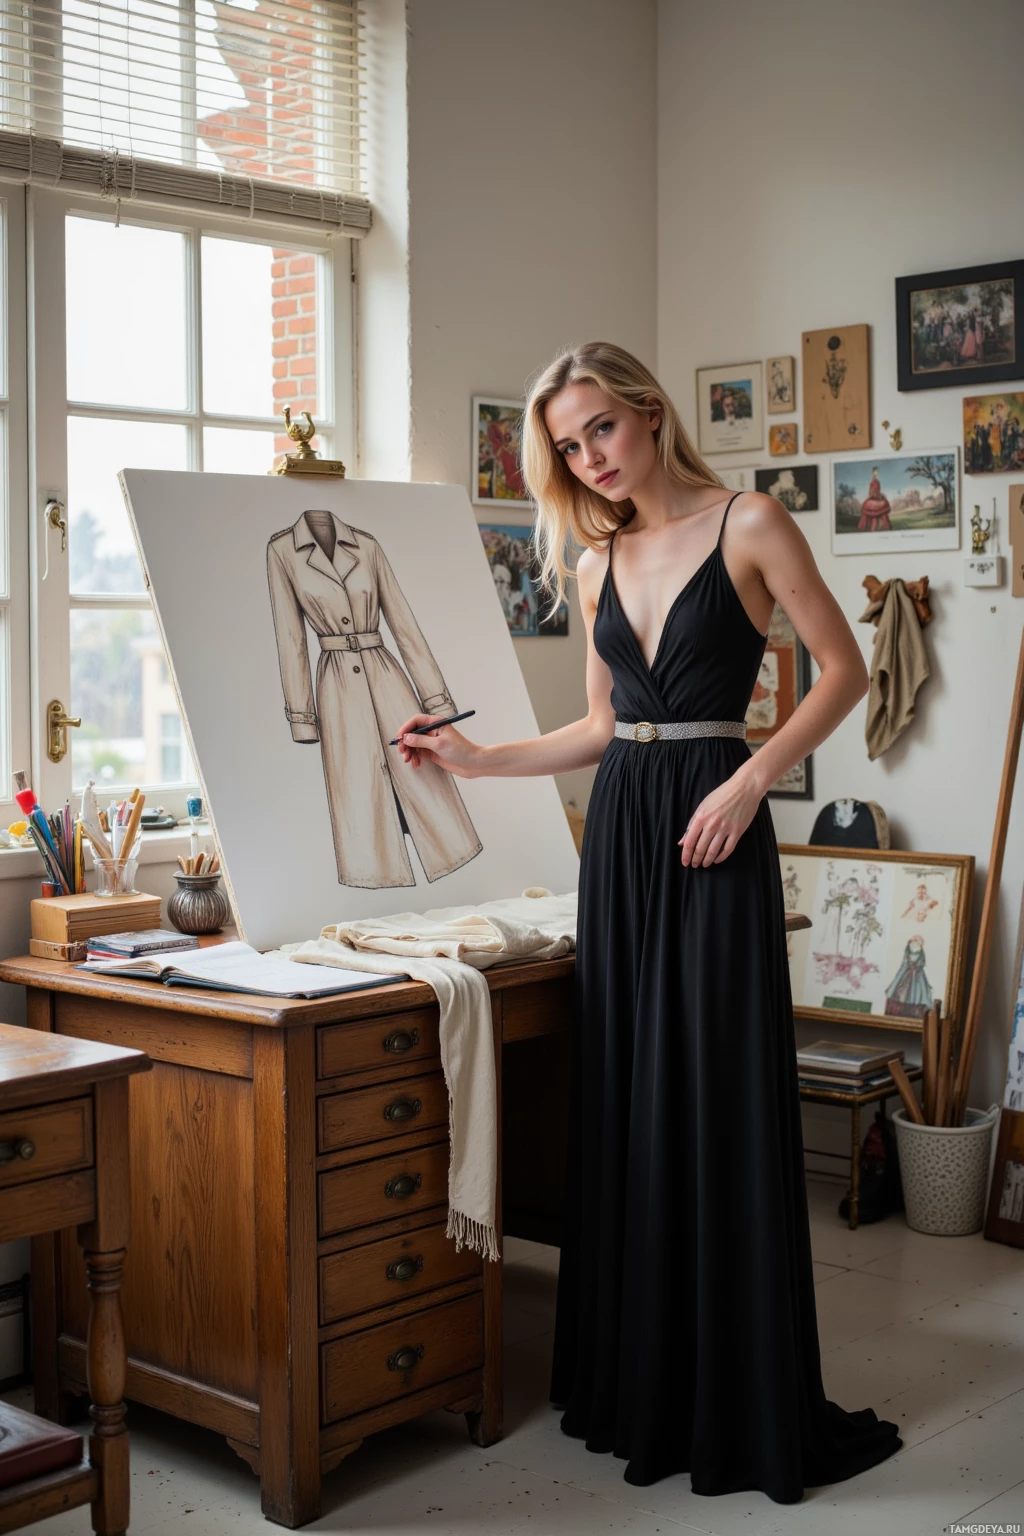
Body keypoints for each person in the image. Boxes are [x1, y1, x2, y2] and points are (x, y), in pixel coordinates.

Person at [392, 340, 902, 1503]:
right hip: (622, 834)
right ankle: (642, 1383)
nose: (588, 460)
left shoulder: (752, 523)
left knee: (711, 1086)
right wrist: (474, 758)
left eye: (598, 432)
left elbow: (842, 671)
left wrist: (748, 777)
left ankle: (733, 1389)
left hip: (716, 822)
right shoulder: (592, 564)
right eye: (568, 448)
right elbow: (597, 730)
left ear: (648, 413)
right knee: (627, 1089)